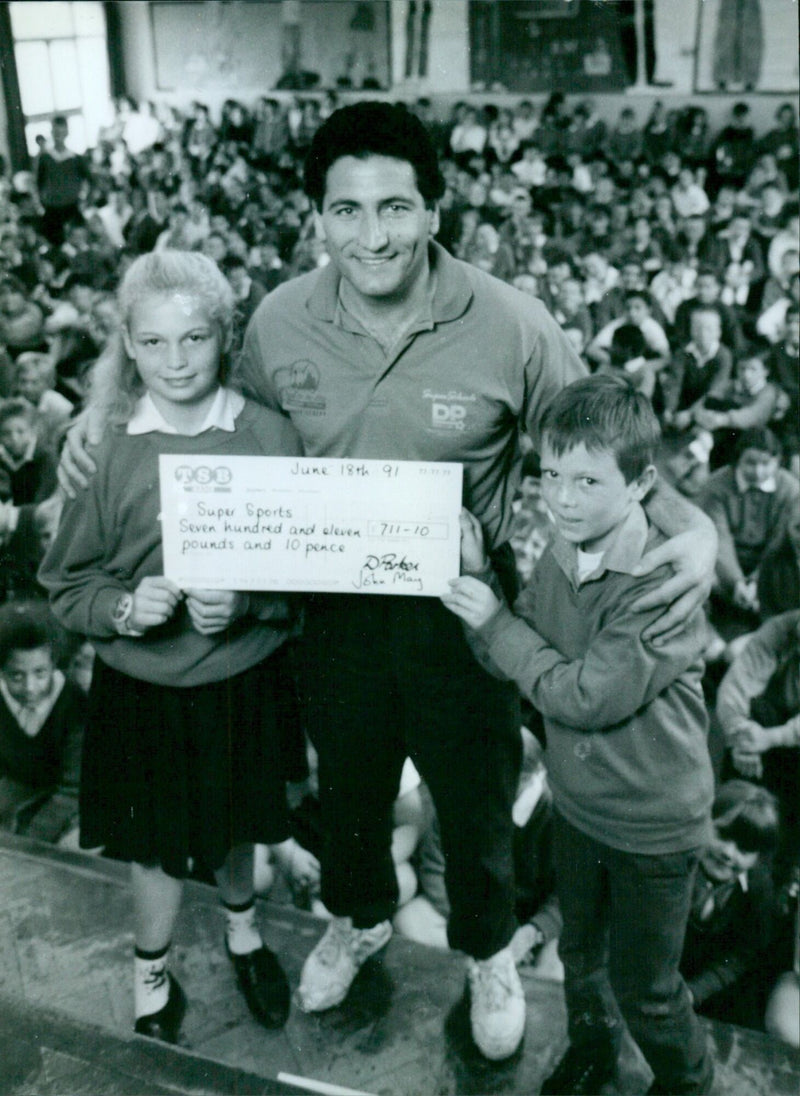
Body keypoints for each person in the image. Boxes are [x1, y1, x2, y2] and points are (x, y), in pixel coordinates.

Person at [58, 102, 718, 1063]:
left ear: (435, 210)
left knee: (475, 801)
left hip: (462, 614)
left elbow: (598, 435)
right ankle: (359, 918)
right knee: (350, 792)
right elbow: (202, 403)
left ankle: (488, 951)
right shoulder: (279, 320)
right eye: (348, 210)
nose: (374, 235)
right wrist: (98, 414)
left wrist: (690, 528)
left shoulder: (511, 322)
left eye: (397, 207)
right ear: (318, 219)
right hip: (326, 615)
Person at [39, 251, 304, 1045]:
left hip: (240, 677)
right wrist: (123, 607)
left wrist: (252, 601)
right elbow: (66, 585)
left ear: (226, 336)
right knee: (152, 846)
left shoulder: (269, 434)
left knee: (235, 823)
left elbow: (309, 574)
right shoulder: (105, 448)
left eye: (194, 339)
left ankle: (244, 935)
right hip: (141, 688)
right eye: (153, 344)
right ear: (127, 340)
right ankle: (149, 975)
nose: (176, 362)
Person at [441, 376, 715, 1095]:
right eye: (551, 475)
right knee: (582, 957)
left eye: (588, 480)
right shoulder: (565, 551)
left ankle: (689, 1086)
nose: (561, 498)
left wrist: (493, 621)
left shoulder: (661, 580)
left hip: (653, 827)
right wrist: (483, 590)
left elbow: (582, 695)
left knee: (649, 990)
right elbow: (512, 651)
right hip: (582, 809)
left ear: (641, 484)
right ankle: (594, 1052)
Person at [0, 600, 85, 843]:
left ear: (53, 664)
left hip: (73, 797)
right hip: (23, 787)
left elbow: (74, 788)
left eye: (40, 673)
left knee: (72, 846)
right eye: (16, 675)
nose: (30, 687)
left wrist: (30, 841)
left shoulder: (74, 703)